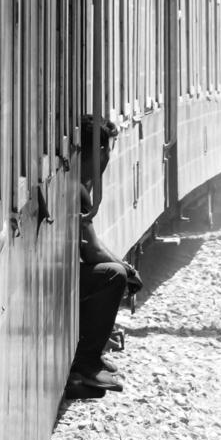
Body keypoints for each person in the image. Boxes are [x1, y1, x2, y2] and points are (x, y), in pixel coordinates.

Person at [68, 115, 142, 396]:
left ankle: (88, 356)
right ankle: (86, 362)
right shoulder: (78, 189)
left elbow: (93, 244)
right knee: (113, 276)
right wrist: (126, 270)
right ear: (100, 152)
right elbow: (93, 251)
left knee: (115, 270)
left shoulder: (76, 183)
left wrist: (125, 265)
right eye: (109, 149)